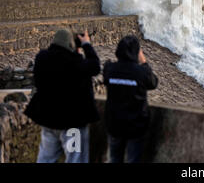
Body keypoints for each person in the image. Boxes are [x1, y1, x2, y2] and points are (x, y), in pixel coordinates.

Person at [25, 29, 100, 163]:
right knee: (75, 158)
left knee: (46, 158)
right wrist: (86, 45)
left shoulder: (42, 58)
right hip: (72, 123)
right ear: (70, 44)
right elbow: (95, 67)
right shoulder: (75, 62)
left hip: (48, 119)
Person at [103, 35, 158, 163]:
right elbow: (153, 83)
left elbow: (106, 79)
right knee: (133, 160)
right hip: (135, 126)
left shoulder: (110, 68)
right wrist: (144, 62)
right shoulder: (141, 72)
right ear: (137, 52)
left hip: (114, 124)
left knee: (114, 159)